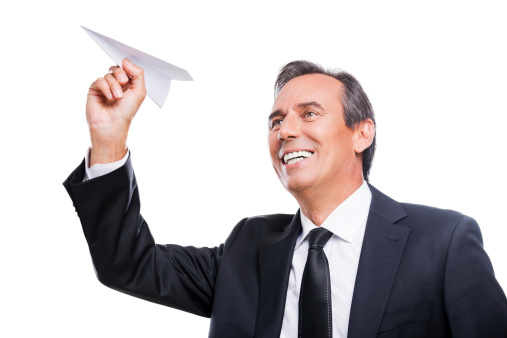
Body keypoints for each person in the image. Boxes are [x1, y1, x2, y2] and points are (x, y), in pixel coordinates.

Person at [64, 58, 507, 337]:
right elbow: (127, 265)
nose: (286, 130)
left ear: (362, 132)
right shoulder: (248, 247)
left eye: (309, 113)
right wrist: (108, 139)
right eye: (275, 121)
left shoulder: (443, 242)